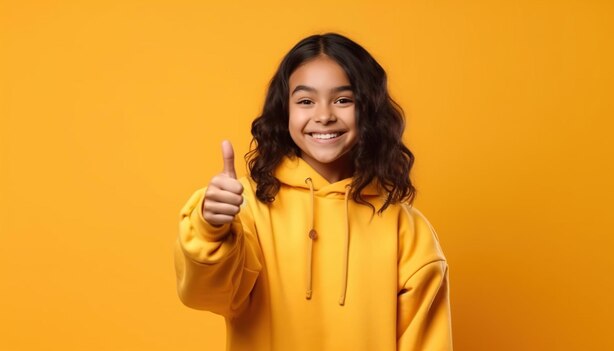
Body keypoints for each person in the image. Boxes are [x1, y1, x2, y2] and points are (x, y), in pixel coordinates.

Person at [175, 33, 452, 350]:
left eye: (343, 100)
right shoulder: (248, 209)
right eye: (305, 101)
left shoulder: (408, 231)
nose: (324, 116)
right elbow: (204, 295)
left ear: (370, 110)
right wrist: (210, 229)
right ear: (285, 112)